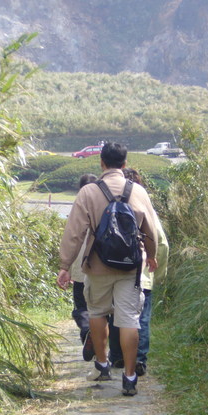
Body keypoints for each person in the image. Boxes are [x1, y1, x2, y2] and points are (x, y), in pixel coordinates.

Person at [57, 142, 158, 396]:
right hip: (129, 267)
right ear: (124, 164)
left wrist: (65, 265)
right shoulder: (137, 191)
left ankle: (102, 365)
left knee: (98, 312)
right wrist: (152, 256)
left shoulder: (89, 192)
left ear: (101, 163)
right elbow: (151, 231)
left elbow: (74, 233)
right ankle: (130, 377)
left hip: (98, 265)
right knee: (129, 319)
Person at [108, 168, 169, 376]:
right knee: (140, 318)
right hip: (142, 273)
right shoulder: (145, 208)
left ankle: (117, 357)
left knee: (117, 315)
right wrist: (156, 274)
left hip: (115, 270)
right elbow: (162, 243)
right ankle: (139, 359)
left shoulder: (110, 208)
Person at [69, 174, 98, 361]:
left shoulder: (76, 208)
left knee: (81, 306)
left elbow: (70, 238)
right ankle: (103, 345)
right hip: (100, 265)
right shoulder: (102, 205)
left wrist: (65, 267)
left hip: (80, 268)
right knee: (101, 308)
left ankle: (87, 330)